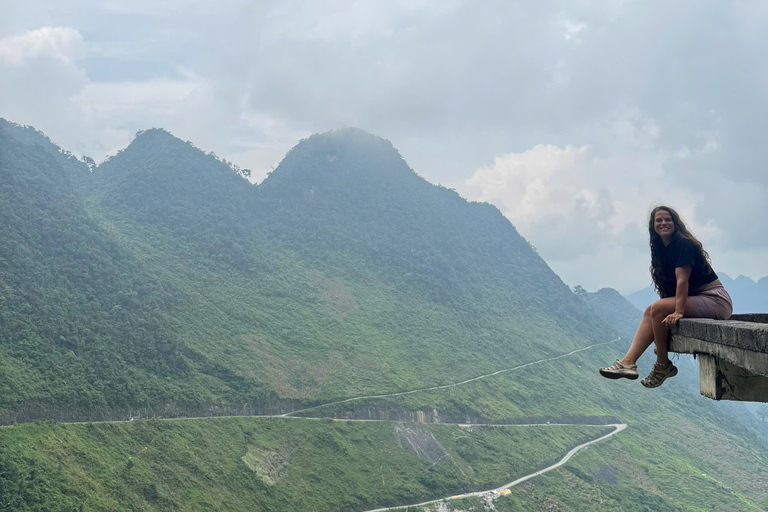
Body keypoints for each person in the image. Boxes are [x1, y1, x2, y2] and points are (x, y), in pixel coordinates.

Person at [599, 206, 733, 388]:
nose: (663, 223)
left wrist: (678, 311)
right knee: (652, 310)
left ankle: (662, 365)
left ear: (675, 222)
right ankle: (627, 363)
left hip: (715, 300)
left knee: (657, 307)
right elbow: (668, 290)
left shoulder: (683, 245)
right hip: (695, 299)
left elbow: (682, 281)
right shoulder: (661, 249)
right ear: (653, 226)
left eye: (668, 219)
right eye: (659, 220)